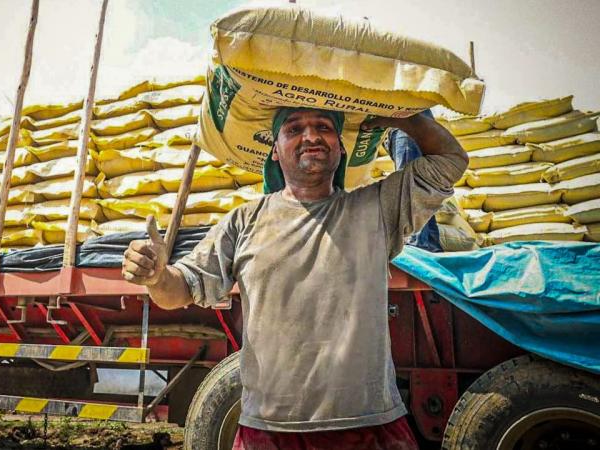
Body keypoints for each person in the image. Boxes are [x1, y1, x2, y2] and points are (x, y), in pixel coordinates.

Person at [122, 107, 467, 450]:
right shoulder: (244, 222)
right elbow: (180, 290)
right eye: (294, 129)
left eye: (324, 127)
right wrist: (157, 277)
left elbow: (450, 160)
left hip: (370, 427)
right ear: (275, 149)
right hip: (267, 433)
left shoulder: (376, 208)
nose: (311, 136)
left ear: (341, 147)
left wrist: (401, 118)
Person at [384, 109, 443, 252]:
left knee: (409, 185)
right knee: (421, 189)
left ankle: (416, 245)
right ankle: (432, 248)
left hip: (407, 124)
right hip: (409, 126)